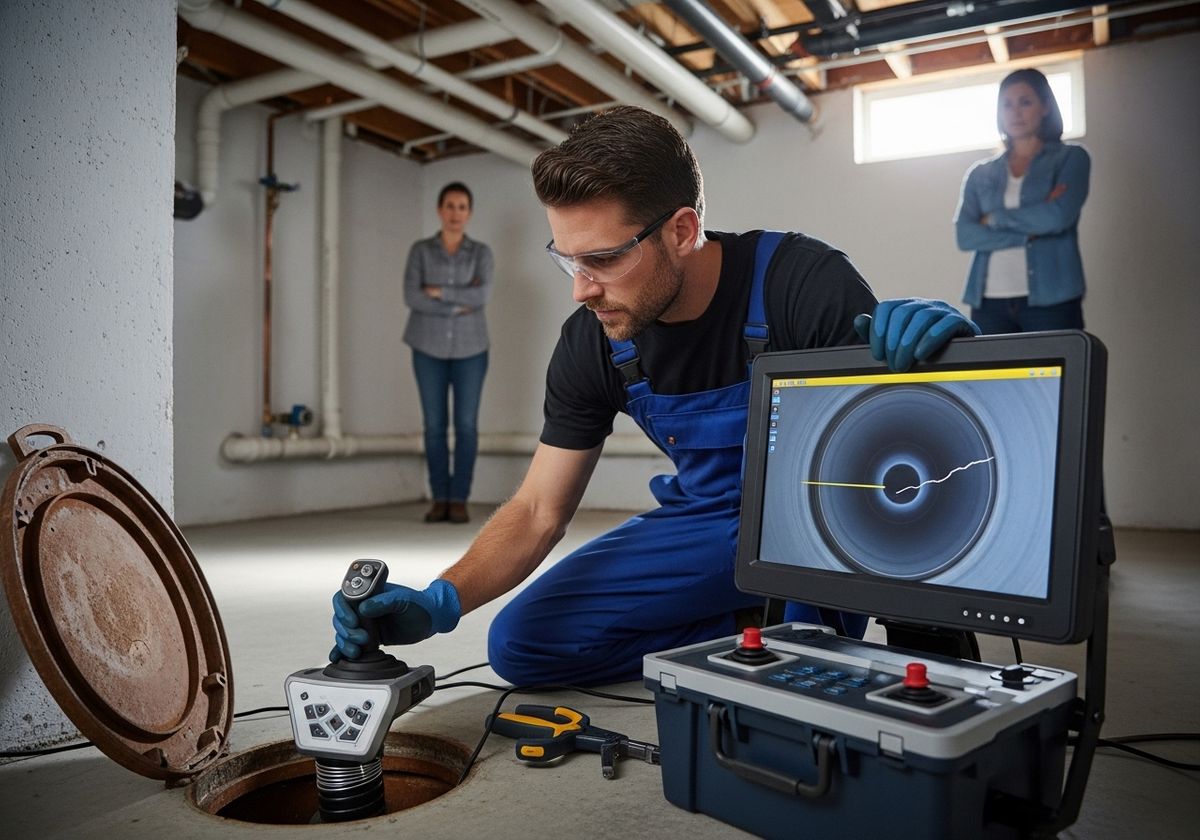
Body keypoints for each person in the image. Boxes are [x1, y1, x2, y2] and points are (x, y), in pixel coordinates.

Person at [334, 106, 978, 686]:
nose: (581, 289)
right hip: (701, 525)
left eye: (604, 259)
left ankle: (795, 632)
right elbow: (537, 510)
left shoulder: (801, 283)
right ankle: (756, 630)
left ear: (681, 230)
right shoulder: (593, 340)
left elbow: (907, 469)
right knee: (523, 644)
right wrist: (443, 599)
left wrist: (946, 372)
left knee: (811, 647)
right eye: (568, 259)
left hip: (813, 523)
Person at [954, 67, 1091, 334]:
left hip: (1054, 299)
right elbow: (965, 236)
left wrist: (993, 219)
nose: (1015, 112)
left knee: (1058, 375)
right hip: (988, 301)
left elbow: (1057, 217)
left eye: (1025, 102)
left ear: (1045, 107)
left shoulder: (1071, 158)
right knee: (992, 376)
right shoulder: (980, 173)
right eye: (1007, 104)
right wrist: (1028, 234)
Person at [403, 182, 494, 524]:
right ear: (439, 210)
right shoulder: (421, 251)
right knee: (434, 426)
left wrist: (439, 292)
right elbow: (412, 297)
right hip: (426, 347)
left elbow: (482, 296)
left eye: (462, 207)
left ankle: (459, 498)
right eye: (450, 206)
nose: (455, 213)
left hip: (473, 348)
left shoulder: (481, 253)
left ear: (469, 213)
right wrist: (458, 303)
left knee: (467, 426)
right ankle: (439, 497)